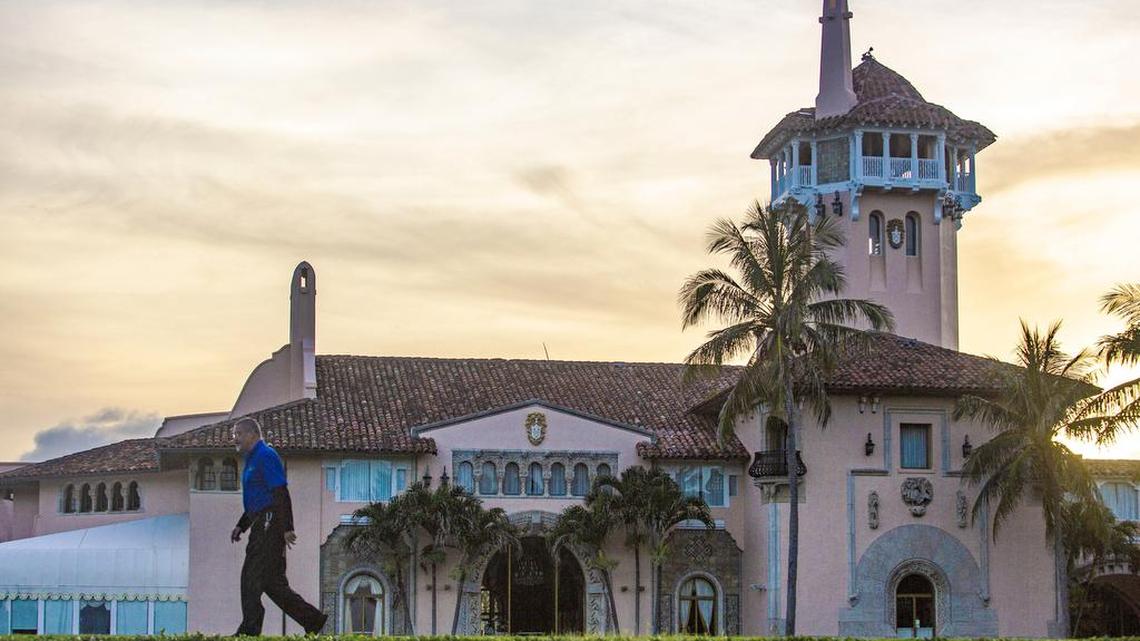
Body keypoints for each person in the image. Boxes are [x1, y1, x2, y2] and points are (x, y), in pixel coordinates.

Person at [230, 416, 327, 635]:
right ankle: (313, 619)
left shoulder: (266, 456)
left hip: (270, 521)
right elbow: (258, 497)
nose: (235, 438)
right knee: (273, 584)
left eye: (238, 434)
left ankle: (249, 629)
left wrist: (287, 527)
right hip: (260, 520)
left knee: (250, 576)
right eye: (234, 434)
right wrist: (241, 525)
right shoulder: (252, 459)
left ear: (252, 434)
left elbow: (280, 492)